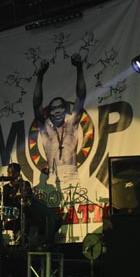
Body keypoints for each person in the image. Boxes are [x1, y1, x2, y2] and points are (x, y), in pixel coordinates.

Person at [33, 53, 86, 186]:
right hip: (53, 175)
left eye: (60, 107)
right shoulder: (46, 130)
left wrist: (79, 68)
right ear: (49, 112)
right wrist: (40, 76)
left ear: (66, 110)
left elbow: (81, 96)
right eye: (53, 108)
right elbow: (37, 104)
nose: (57, 111)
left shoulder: (71, 125)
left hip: (71, 175)